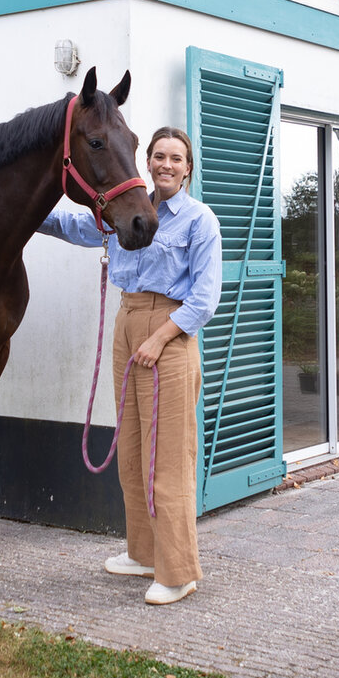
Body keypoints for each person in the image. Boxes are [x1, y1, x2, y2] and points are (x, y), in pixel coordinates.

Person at [38, 125, 222, 605]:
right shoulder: (128, 211)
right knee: (134, 452)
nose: (165, 164)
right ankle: (142, 554)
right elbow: (72, 226)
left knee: (168, 457)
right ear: (149, 162)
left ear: (188, 168)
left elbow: (205, 299)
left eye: (175, 158)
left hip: (169, 333)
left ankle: (178, 571)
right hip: (127, 320)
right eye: (158, 156)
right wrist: (23, 209)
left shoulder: (200, 220)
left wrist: (160, 337)